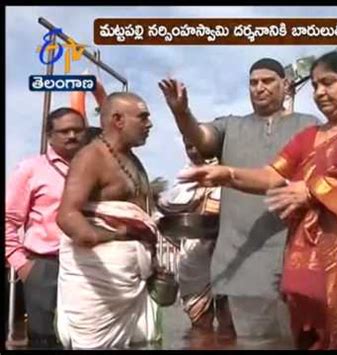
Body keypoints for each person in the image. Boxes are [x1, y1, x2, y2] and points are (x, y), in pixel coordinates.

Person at [177, 51, 337, 349]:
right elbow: (272, 175)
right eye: (315, 86)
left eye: (329, 83)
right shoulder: (310, 137)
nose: (320, 93)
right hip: (315, 266)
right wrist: (227, 174)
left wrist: (313, 191)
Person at [159, 58, 322, 339]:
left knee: (303, 341)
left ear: (285, 85)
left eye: (267, 81)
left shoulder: (309, 126)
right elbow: (201, 137)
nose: (259, 88)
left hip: (297, 255)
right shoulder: (230, 126)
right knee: (252, 342)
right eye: (253, 82)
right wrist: (181, 113)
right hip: (242, 261)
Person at [55, 92, 161, 349]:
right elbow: (67, 215)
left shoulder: (132, 160)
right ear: (118, 120)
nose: (150, 124)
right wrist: (113, 235)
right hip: (98, 284)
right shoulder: (90, 157)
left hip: (132, 281)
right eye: (143, 117)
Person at [5, 107, 87, 348]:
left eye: (77, 130)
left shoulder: (94, 170)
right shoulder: (31, 169)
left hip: (87, 264)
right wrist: (21, 264)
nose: (72, 135)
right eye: (64, 131)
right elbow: (8, 221)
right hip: (44, 265)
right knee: (45, 339)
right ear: (49, 135)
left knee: (85, 337)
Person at [158, 138, 235, 338]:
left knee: (230, 320)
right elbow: (168, 205)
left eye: (198, 145)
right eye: (189, 146)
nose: (194, 151)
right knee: (199, 321)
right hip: (194, 254)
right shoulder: (185, 177)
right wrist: (197, 193)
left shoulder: (230, 174)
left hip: (230, 254)